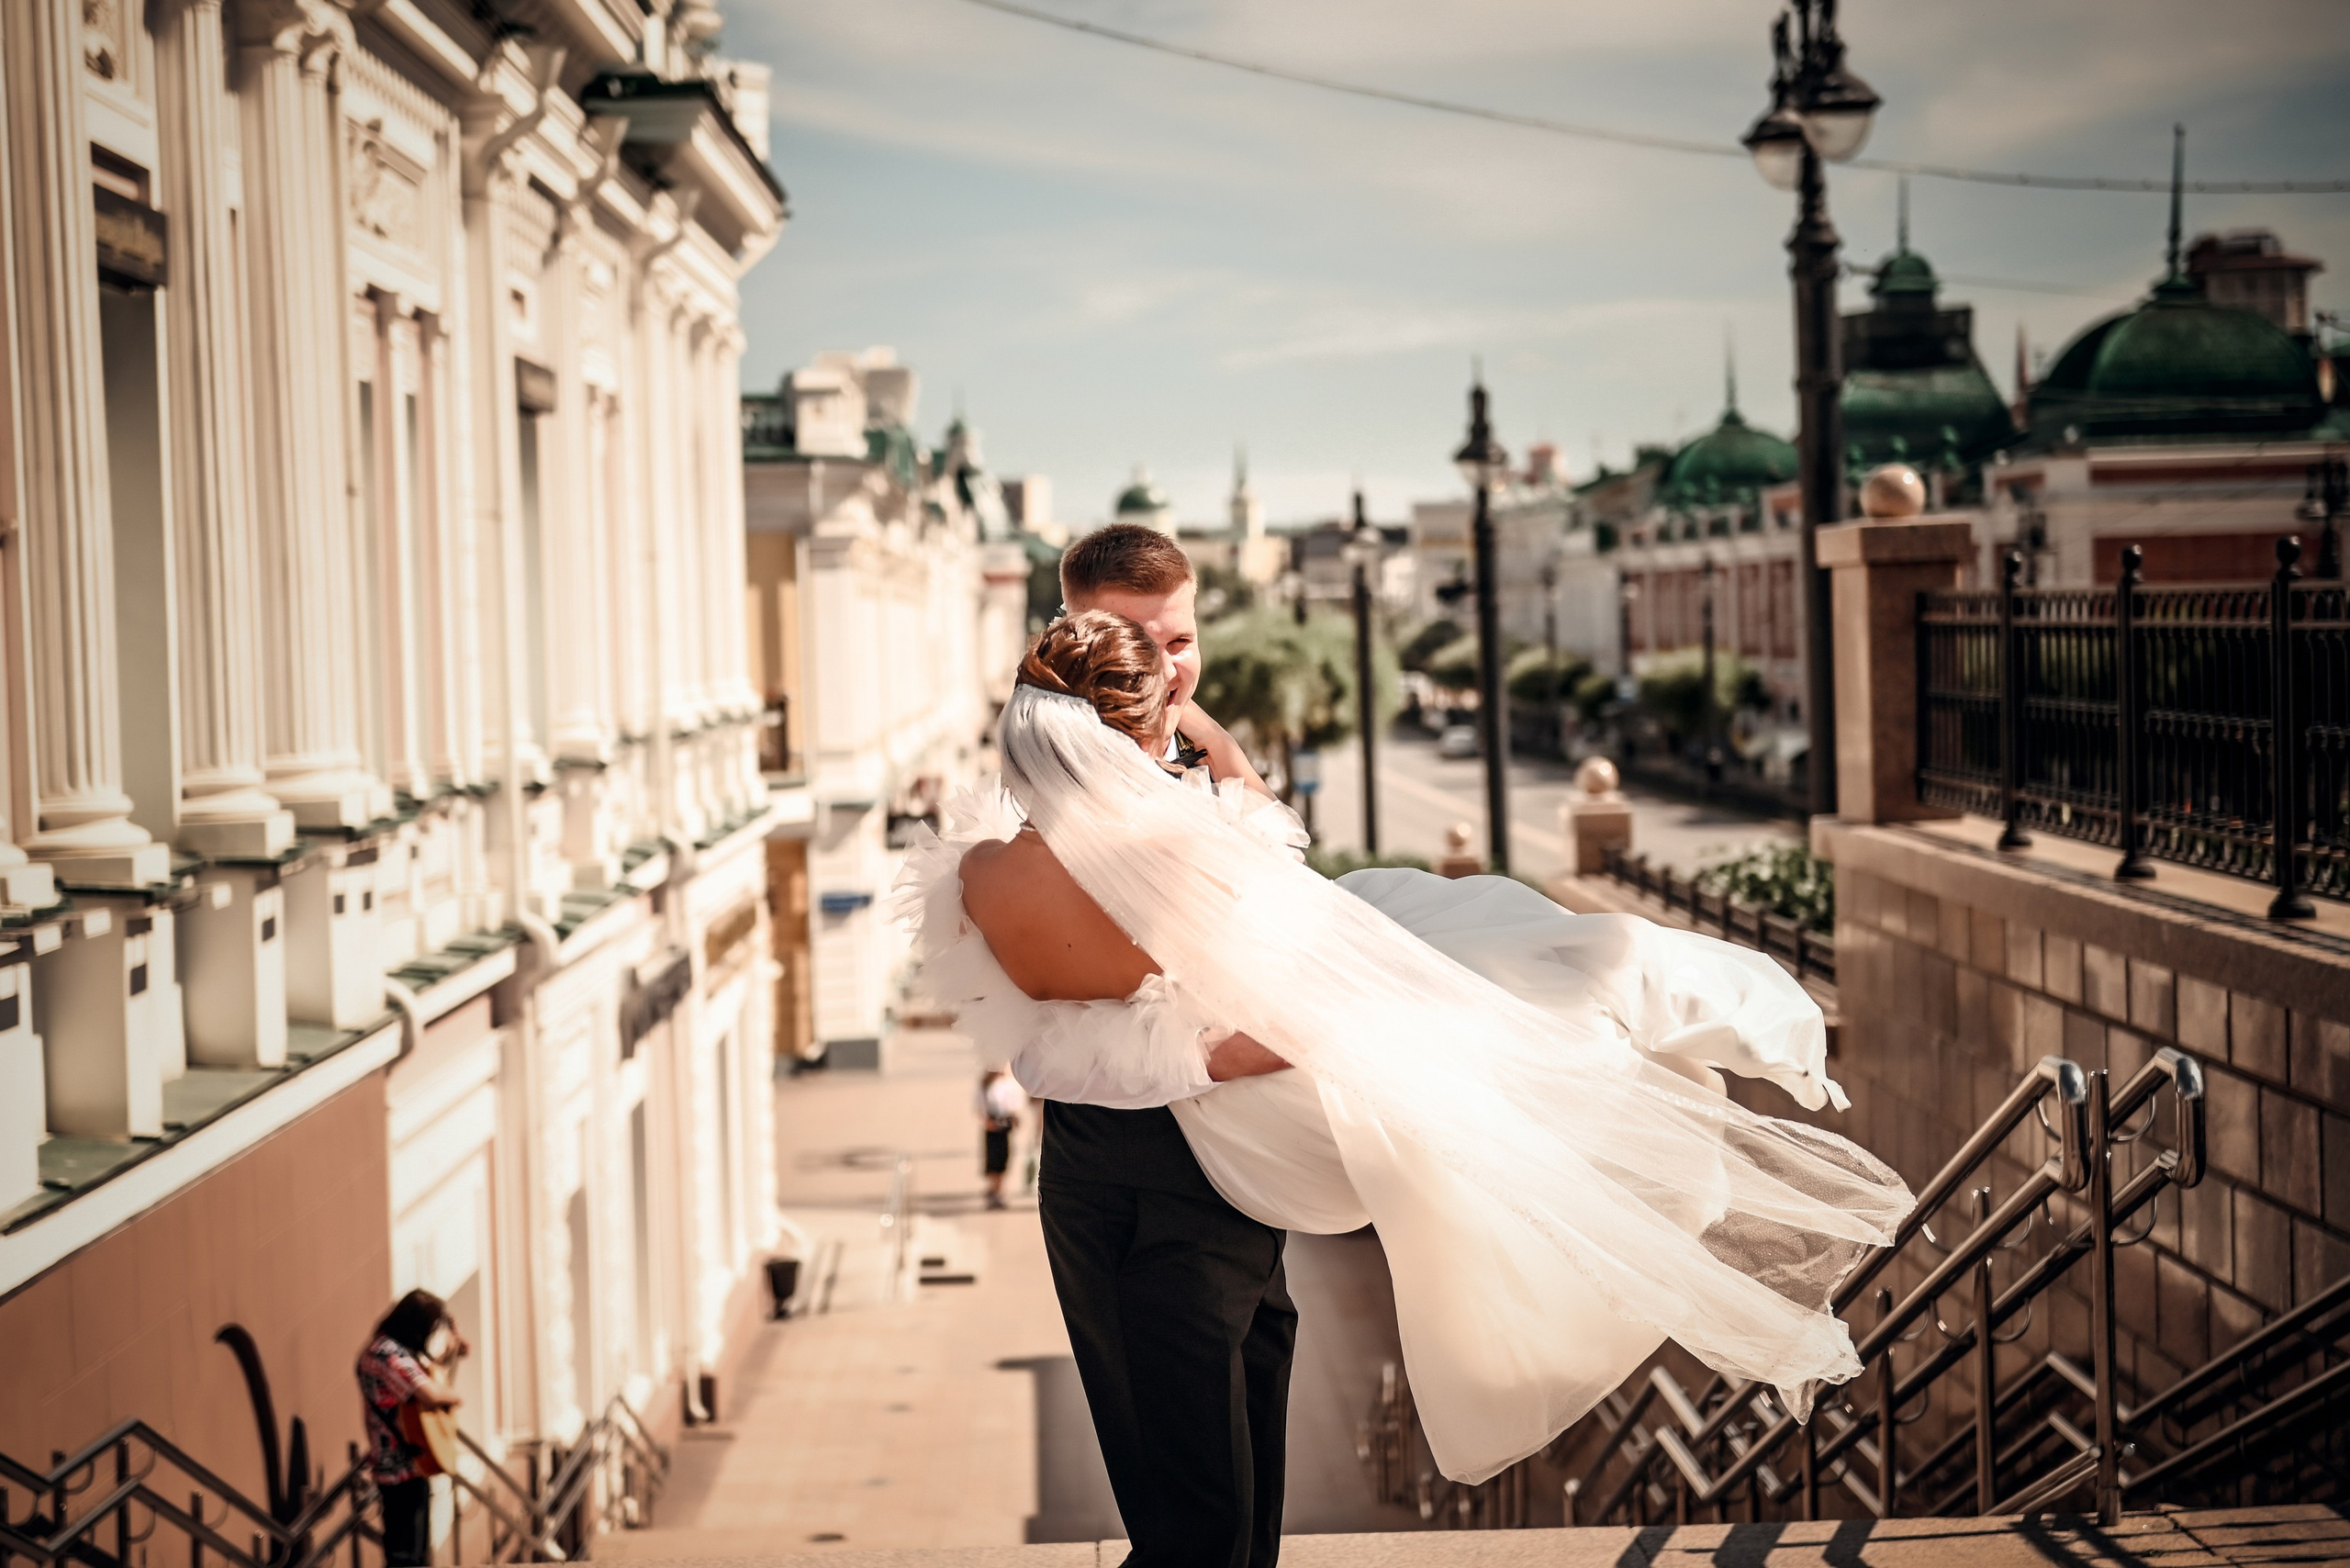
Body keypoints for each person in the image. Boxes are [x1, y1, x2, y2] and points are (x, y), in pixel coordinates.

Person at [902, 597, 1914, 1568]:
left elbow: (1041, 1048)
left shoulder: (984, 876)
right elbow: (1286, 999)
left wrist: (1190, 1043)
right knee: (1224, 1503)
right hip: (1212, 1173)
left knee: (1190, 1507)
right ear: (1132, 735)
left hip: (1107, 1181)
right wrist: (1211, 1045)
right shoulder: (1187, 862)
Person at [356, 1289, 466, 1568]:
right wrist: (455, 1398)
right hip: (397, 1469)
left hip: (410, 1463)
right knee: (405, 1557)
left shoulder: (391, 1349)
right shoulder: (387, 1354)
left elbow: (424, 1377)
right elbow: (428, 1393)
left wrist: (451, 1352)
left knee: (416, 1554)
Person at [975, 1066, 1027, 1208]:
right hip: (992, 1126)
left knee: (1004, 1157)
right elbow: (979, 1108)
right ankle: (994, 1189)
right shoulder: (985, 1086)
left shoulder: (1007, 1084)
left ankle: (999, 1189)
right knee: (993, 1159)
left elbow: (1013, 1105)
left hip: (1004, 1126)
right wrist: (987, 1122)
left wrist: (1014, 1118)